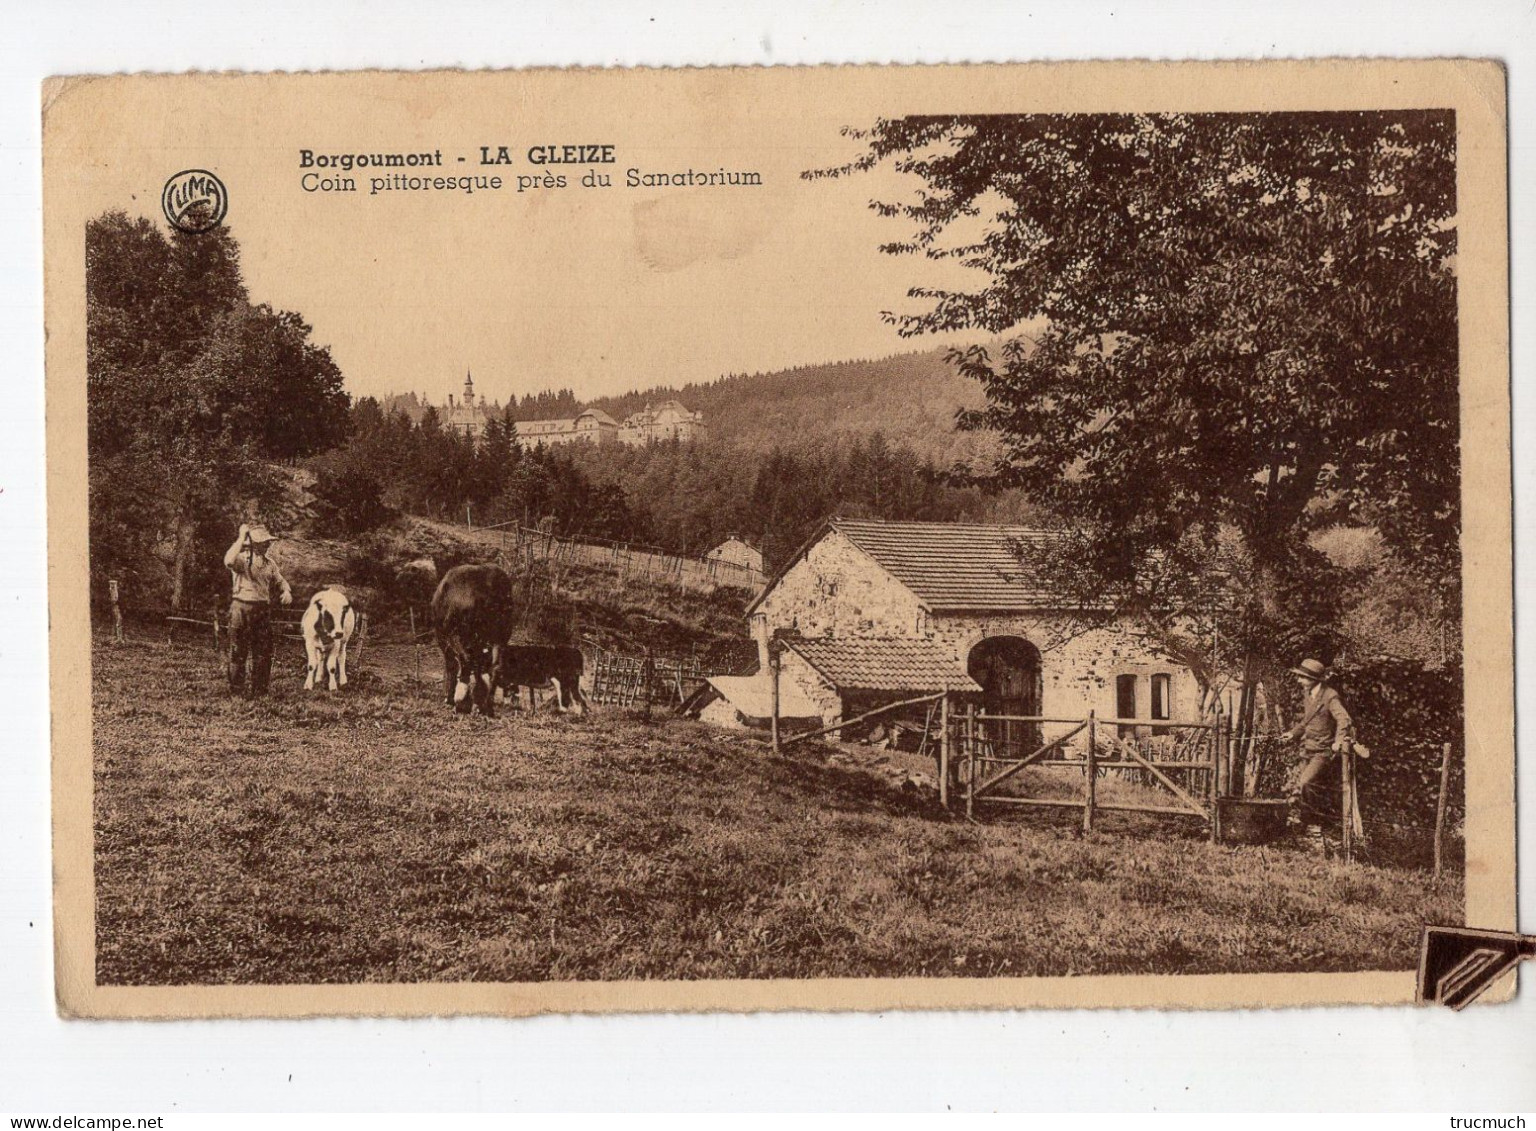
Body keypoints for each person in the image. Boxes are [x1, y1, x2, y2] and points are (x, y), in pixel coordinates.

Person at [1280, 658, 1355, 842]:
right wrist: (1293, 734)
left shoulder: (1330, 696)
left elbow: (1344, 719)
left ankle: (1313, 825)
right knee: (1310, 788)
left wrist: (1338, 741)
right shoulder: (1308, 694)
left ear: (1314, 679)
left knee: (1305, 783)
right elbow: (1307, 721)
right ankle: (1309, 827)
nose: (1299, 681)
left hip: (1322, 751)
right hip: (1308, 748)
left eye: (1303, 677)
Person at [224, 522, 292, 697]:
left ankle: (260, 691)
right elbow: (228, 561)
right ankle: (236, 692)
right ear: (254, 543)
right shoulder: (241, 559)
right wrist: (241, 537)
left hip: (262, 610)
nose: (267, 545)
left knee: (263, 652)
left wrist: (286, 590)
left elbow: (281, 580)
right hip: (241, 608)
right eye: (263, 542)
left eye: (267, 542)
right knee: (238, 651)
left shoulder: (270, 564)